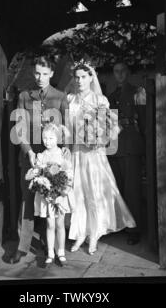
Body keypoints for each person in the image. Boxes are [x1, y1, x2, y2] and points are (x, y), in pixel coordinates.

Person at [66, 60, 136, 255]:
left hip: (94, 154)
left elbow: (112, 128)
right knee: (77, 192)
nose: (79, 81)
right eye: (77, 77)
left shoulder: (100, 100)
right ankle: (81, 231)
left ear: (91, 78)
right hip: (76, 153)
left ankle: (95, 232)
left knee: (95, 191)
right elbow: (66, 128)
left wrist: (100, 139)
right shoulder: (70, 99)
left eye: (83, 77)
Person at [10, 55, 69, 264]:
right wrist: (29, 151)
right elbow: (19, 128)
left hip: (52, 159)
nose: (40, 77)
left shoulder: (60, 97)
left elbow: (67, 130)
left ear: (51, 74)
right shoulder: (25, 96)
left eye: (45, 73)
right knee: (27, 200)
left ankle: (48, 243)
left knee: (50, 199)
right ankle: (23, 246)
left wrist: (62, 151)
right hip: (30, 158)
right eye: (37, 73)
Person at [107, 62, 146, 245]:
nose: (120, 74)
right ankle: (122, 225)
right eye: (116, 71)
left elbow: (144, 120)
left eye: (123, 70)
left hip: (131, 145)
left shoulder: (138, 92)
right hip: (115, 147)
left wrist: (144, 145)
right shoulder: (111, 96)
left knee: (132, 190)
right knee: (119, 189)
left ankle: (134, 229)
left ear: (128, 72)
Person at [32, 123, 74, 265]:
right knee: (50, 224)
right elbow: (37, 174)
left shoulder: (62, 154)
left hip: (60, 195)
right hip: (47, 197)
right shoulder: (42, 156)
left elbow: (69, 173)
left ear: (57, 139)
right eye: (45, 138)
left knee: (60, 224)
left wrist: (64, 189)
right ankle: (50, 252)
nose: (47, 141)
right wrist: (44, 188)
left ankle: (61, 252)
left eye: (51, 138)